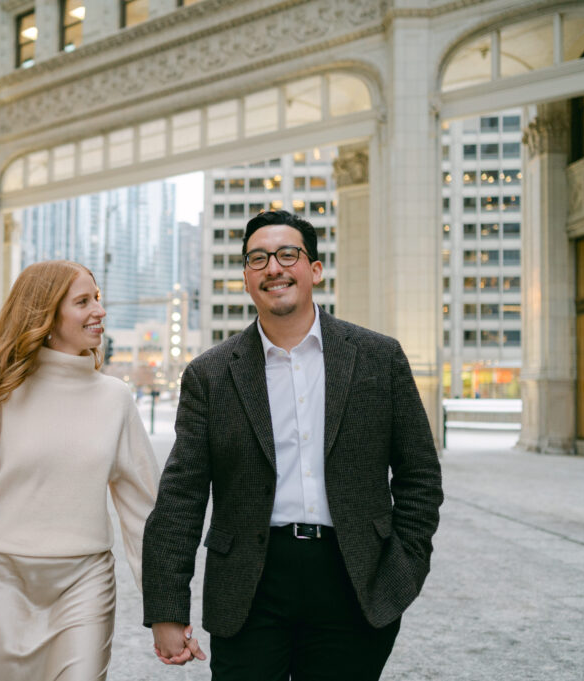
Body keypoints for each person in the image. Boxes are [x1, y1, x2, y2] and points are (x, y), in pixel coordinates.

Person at [142, 210, 443, 680]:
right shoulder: (211, 374)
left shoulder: (378, 358)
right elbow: (181, 496)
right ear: (245, 278)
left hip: (353, 580)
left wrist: (403, 568)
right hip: (249, 585)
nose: (273, 268)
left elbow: (419, 474)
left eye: (288, 254)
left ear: (315, 269)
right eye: (257, 258)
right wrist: (167, 607)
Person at [0, 260, 159, 681]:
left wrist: (165, 609)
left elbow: (145, 514)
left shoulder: (115, 399)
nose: (99, 311)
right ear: (44, 314)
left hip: (86, 583)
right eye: (83, 301)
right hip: (2, 581)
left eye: (97, 299)